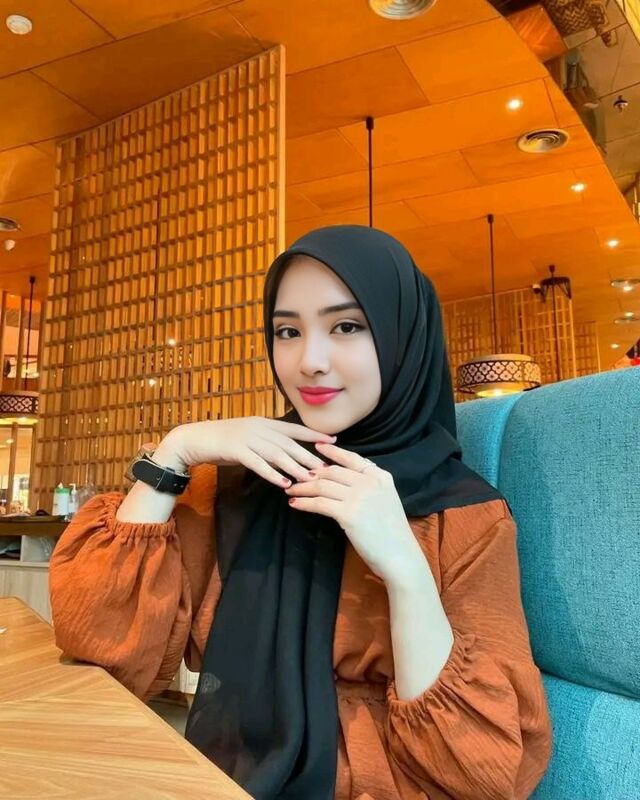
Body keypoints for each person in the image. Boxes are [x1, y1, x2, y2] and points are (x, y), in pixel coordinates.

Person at [50, 225, 552, 799]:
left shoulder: (463, 515)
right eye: (287, 331)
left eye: (346, 326)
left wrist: (406, 572)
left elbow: (483, 773)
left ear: (402, 339)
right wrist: (176, 451)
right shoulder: (234, 486)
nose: (309, 361)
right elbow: (102, 651)